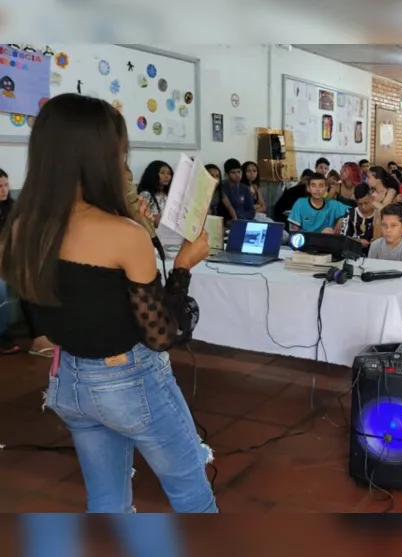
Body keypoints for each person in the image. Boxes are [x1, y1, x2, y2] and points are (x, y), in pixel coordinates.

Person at [0, 93, 217, 513]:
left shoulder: (21, 226)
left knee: (106, 499)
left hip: (69, 381)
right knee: (191, 490)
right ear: (101, 156)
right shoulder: (121, 234)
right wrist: (185, 265)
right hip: (129, 381)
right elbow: (162, 333)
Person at [0, 169, 20, 354]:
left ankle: (40, 333)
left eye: (6, 185)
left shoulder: (13, 208)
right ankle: (2, 336)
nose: (4, 190)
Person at [341, 183, 376, 254]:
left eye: (366, 203)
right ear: (356, 201)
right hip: (352, 251)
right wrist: (357, 241)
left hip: (373, 253)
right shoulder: (350, 213)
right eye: (360, 204)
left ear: (372, 199)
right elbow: (343, 237)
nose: (363, 207)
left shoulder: (378, 215)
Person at [137, 160, 173, 227]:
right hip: (153, 232)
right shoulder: (146, 195)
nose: (166, 176)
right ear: (153, 174)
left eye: (169, 173)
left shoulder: (169, 195)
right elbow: (143, 219)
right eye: (162, 173)